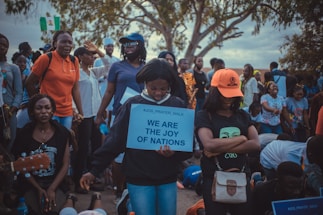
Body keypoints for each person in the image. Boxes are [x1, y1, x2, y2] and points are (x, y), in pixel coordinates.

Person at [80, 58, 192, 215]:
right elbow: (115, 141)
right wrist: (94, 170)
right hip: (138, 176)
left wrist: (175, 152)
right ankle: (127, 201)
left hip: (167, 177)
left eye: (164, 89)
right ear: (145, 83)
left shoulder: (177, 105)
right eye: (153, 88)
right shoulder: (132, 105)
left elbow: (188, 145)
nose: (158, 93)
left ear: (170, 86)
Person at [195, 68, 260, 215]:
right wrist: (241, 139)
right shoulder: (204, 116)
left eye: (232, 94)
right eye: (224, 94)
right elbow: (209, 144)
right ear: (214, 92)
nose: (228, 99)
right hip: (213, 178)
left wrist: (219, 148)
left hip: (242, 176)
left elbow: (256, 144)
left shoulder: (243, 115)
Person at [94, 32, 147, 202]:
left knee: (138, 153)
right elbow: (109, 91)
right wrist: (100, 112)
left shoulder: (146, 67)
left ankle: (132, 188)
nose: (128, 47)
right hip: (119, 114)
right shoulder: (117, 66)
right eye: (125, 45)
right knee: (118, 155)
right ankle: (118, 189)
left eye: (132, 44)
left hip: (141, 116)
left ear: (140, 46)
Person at [12, 94, 71, 214]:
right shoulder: (24, 134)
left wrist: (52, 189)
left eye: (47, 108)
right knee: (36, 210)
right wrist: (38, 189)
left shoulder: (62, 133)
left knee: (51, 210)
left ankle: (70, 199)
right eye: (39, 108)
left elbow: (65, 164)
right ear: (32, 111)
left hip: (55, 183)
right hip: (31, 183)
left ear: (52, 111)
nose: (43, 111)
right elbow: (21, 166)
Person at [25, 30, 83, 129]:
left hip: (67, 112)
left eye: (70, 42)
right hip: (49, 112)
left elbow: (75, 89)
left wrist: (81, 112)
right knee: (50, 143)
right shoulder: (46, 58)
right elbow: (29, 83)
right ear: (55, 43)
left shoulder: (74, 61)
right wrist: (38, 104)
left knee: (64, 142)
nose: (67, 45)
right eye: (63, 41)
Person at [73, 41, 110, 194]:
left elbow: (110, 66)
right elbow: (72, 93)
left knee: (96, 147)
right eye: (89, 54)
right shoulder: (76, 72)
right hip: (84, 115)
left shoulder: (93, 72)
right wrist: (76, 111)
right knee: (82, 149)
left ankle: (93, 178)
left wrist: (99, 52)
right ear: (80, 56)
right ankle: (78, 181)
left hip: (96, 115)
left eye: (94, 55)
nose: (93, 57)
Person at [0, 34, 23, 151]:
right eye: (0, 44)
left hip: (8, 111)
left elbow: (19, 92)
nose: (2, 47)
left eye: (5, 45)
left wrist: (13, 108)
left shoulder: (13, 68)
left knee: (9, 139)